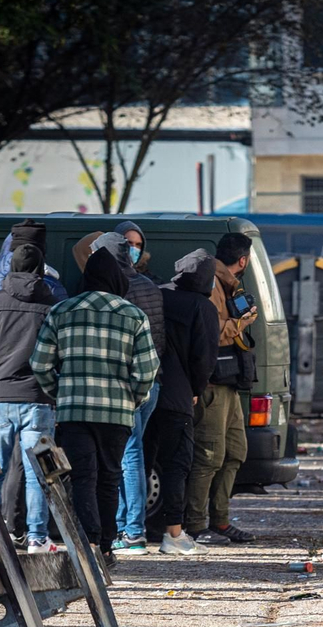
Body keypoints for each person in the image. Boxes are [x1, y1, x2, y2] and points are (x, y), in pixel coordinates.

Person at [30, 248, 159, 568]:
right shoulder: (133, 315)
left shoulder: (61, 311)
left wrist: (60, 392)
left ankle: (87, 541)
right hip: (116, 412)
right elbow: (147, 370)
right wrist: (134, 399)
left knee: (83, 477)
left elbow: (40, 363)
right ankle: (105, 546)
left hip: (74, 411)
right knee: (110, 477)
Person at [73, 227, 166, 555]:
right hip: (149, 381)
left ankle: (130, 530)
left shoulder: (109, 292)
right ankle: (132, 529)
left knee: (120, 459)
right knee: (133, 454)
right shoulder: (150, 286)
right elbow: (158, 340)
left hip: (119, 386)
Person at [0, 242, 59, 552]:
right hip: (38, 398)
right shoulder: (51, 307)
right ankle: (38, 536)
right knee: (38, 472)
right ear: (40, 270)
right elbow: (57, 356)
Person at [184, 232, 261, 544]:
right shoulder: (212, 284)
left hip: (229, 384)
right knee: (209, 456)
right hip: (212, 384)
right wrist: (243, 322)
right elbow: (212, 333)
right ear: (243, 260)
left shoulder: (230, 284)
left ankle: (221, 520)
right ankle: (196, 525)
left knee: (235, 452)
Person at [150, 250, 219, 555]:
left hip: (145, 388)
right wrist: (196, 388)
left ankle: (130, 530)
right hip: (178, 394)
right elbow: (204, 357)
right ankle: (174, 534)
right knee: (177, 465)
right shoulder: (201, 306)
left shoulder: (158, 294)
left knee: (137, 462)